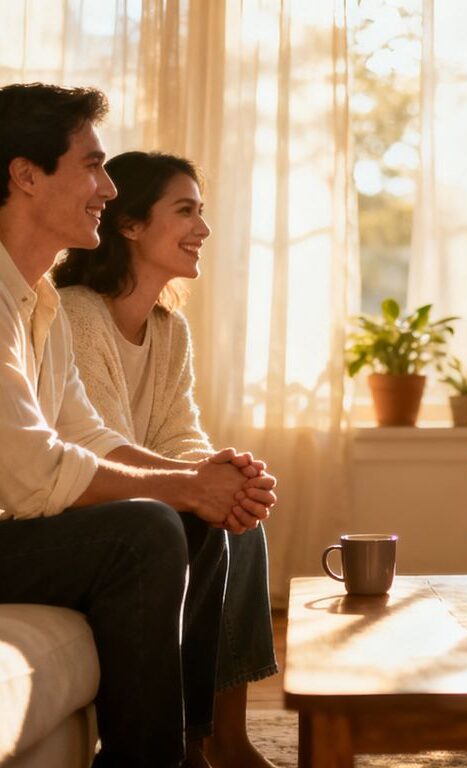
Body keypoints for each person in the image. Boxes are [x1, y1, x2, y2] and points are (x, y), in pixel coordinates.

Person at [0, 82, 276, 768]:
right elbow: (33, 472)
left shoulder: (37, 303)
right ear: (26, 175)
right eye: (92, 165)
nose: (107, 184)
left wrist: (202, 481)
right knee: (151, 524)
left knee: (192, 516)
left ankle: (186, 745)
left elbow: (87, 436)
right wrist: (185, 488)